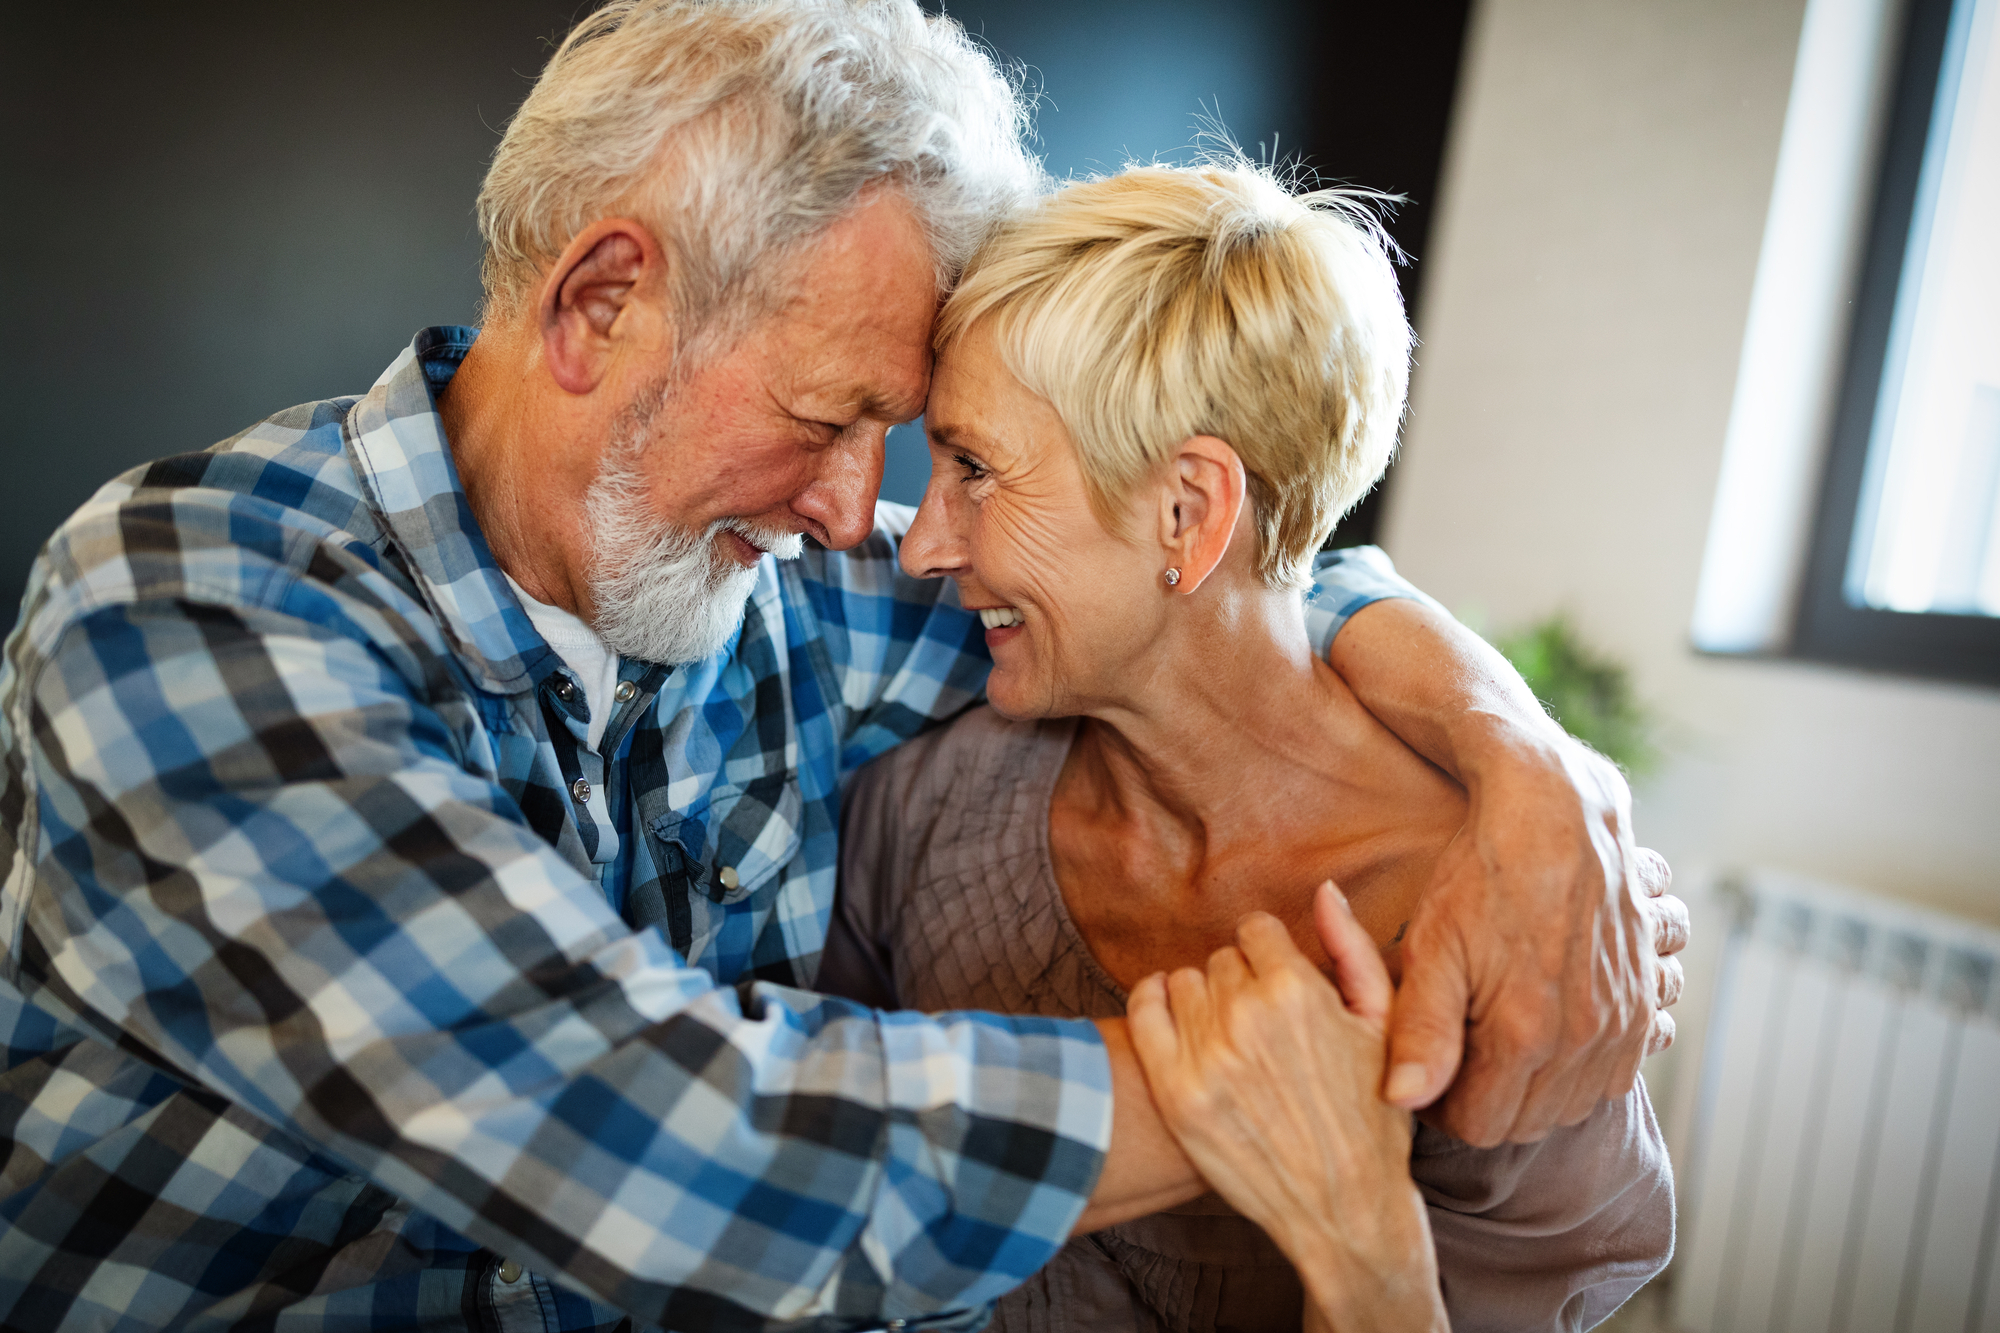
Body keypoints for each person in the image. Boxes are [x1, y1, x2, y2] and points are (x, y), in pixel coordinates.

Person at [0, 3, 1682, 1330]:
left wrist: (1533, 776)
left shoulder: (770, 581)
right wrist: (1280, 1088)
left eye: (912, 440)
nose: (857, 509)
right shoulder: (188, 602)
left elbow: (1213, 580)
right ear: (598, 306)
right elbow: (651, 1137)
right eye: (831, 418)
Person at [823, 160, 1676, 1331]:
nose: (919, 543)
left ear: (1188, 510)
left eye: (973, 469)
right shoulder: (924, 803)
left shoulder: (1504, 933)